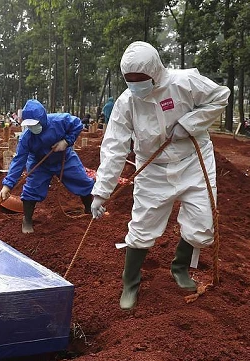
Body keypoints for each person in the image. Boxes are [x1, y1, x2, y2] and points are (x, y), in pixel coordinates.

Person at [90, 41, 230, 310]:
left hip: (193, 161)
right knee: (142, 227)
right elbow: (114, 147)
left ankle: (180, 267)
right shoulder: (126, 103)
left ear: (155, 72)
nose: (135, 85)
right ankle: (130, 282)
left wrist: (190, 124)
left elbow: (220, 96)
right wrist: (100, 192)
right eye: (129, 80)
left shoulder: (184, 82)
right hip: (152, 168)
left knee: (203, 225)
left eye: (140, 79)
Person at [0, 99, 95, 234]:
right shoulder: (26, 138)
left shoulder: (59, 121)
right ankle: (27, 219)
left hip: (64, 158)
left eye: (35, 124)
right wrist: (7, 185)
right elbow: (19, 160)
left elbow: (77, 124)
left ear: (42, 118)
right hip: (40, 163)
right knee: (32, 189)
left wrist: (66, 141)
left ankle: (89, 209)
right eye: (29, 125)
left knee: (82, 181)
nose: (32, 128)